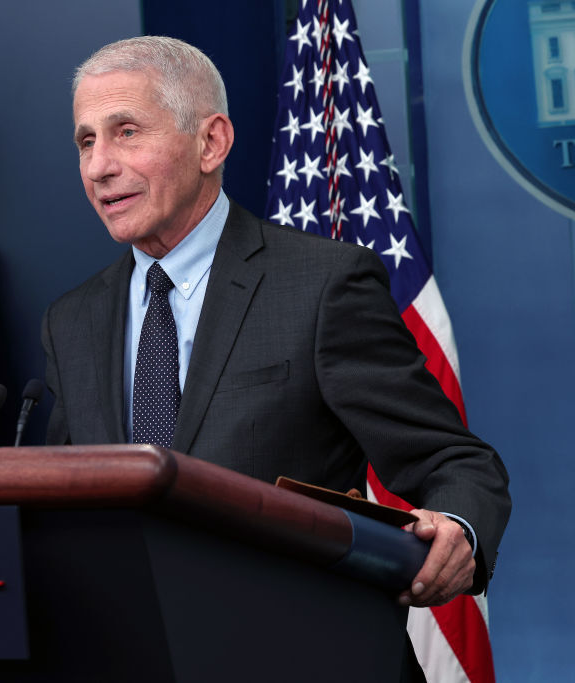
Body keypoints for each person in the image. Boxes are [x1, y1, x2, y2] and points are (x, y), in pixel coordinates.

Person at [41, 36, 510, 609]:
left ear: (211, 142)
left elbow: (453, 461)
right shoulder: (72, 321)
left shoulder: (322, 286)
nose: (98, 167)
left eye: (126, 133)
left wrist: (460, 526)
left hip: (297, 646)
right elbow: (61, 503)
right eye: (85, 141)